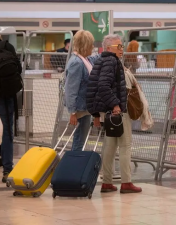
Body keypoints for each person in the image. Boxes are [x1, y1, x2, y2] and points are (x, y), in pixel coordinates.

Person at [87, 34, 142, 194]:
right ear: (108, 48)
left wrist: (97, 113)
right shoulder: (112, 61)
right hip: (117, 110)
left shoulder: (100, 61)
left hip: (107, 111)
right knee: (125, 145)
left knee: (109, 145)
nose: (121, 49)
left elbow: (96, 87)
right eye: (118, 46)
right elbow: (104, 86)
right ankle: (126, 182)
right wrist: (116, 104)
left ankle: (107, 182)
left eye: (122, 46)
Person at [64, 30, 99, 151]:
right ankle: (74, 166)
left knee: (80, 139)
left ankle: (75, 164)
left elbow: (96, 58)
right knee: (79, 140)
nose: (92, 47)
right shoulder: (76, 63)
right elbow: (71, 89)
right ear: (85, 45)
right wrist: (73, 112)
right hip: (79, 108)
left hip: (84, 107)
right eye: (91, 44)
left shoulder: (84, 59)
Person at [0, 35, 22, 183]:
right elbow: (18, 69)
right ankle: (7, 169)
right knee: (7, 130)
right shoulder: (7, 47)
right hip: (6, 94)